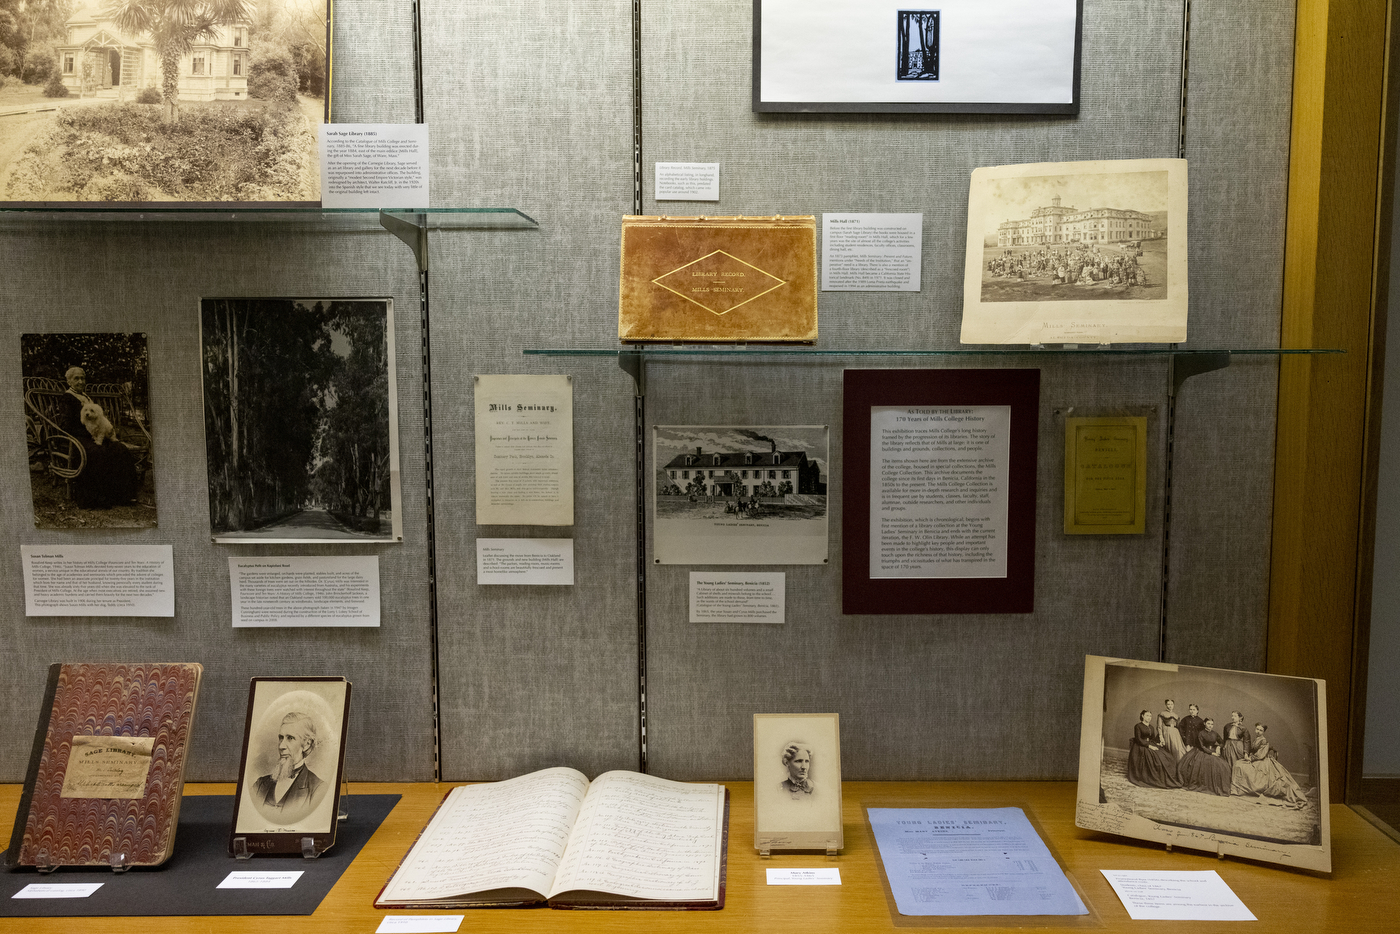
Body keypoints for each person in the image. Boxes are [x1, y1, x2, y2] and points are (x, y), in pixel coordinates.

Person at [55, 366, 139, 509]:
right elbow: (65, 425)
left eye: (82, 378)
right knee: (97, 452)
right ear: (69, 381)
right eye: (76, 378)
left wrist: (102, 431)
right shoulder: (67, 398)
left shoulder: (86, 397)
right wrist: (89, 433)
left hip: (94, 434)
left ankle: (122, 495)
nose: (80, 381)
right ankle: (96, 499)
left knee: (119, 448)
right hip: (77, 437)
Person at [253, 712, 326, 821]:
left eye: (290, 738)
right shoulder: (260, 785)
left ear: (306, 744)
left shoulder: (318, 789)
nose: (281, 746)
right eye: (281, 738)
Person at [1230, 723, 1309, 808]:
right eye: (1257, 729)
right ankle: (1239, 789)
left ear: (1263, 732)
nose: (1258, 731)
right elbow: (1253, 750)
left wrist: (1250, 758)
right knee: (1238, 764)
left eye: (1261, 730)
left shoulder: (1263, 740)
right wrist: (1248, 755)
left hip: (1262, 761)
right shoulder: (1256, 739)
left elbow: (1260, 754)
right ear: (1255, 729)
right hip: (1256, 759)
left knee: (1243, 767)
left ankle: (1249, 789)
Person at [1125, 710, 1181, 789]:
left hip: (1150, 744)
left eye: (1150, 716)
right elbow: (1138, 739)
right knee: (1154, 758)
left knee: (1167, 756)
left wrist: (1158, 743)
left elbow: (1153, 739)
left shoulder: (1151, 727)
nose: (1149, 718)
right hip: (1140, 746)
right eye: (1147, 715)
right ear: (1142, 716)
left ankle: (1164, 778)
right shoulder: (1138, 726)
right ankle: (1154, 778)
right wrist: (1149, 746)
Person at [1178, 718, 1232, 795]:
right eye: (1208, 724)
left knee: (1223, 766)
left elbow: (1222, 742)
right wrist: (1211, 753)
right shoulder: (1201, 733)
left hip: (1213, 749)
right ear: (1204, 724)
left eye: (1212, 724)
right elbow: (1202, 746)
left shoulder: (1215, 733)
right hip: (1202, 751)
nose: (1210, 726)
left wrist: (1218, 747)